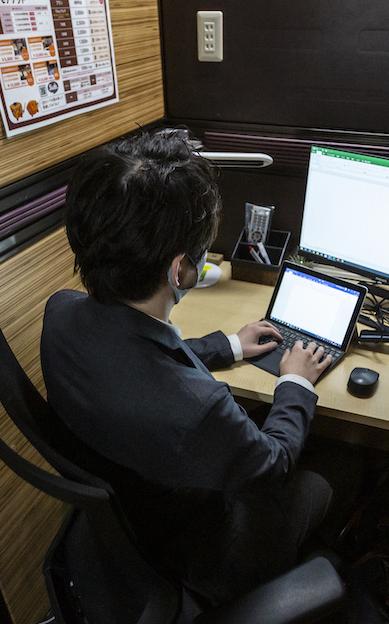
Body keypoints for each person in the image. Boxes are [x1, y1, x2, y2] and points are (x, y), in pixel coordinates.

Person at [40, 129, 333, 604]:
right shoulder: (198, 409)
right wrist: (295, 382)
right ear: (180, 272)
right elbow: (273, 464)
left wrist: (228, 347)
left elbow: (134, 354)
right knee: (321, 481)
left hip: (127, 518)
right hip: (203, 547)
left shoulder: (61, 313)